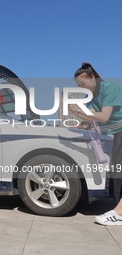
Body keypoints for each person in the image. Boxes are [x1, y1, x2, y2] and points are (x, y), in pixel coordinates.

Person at [69, 62, 122, 225]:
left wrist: (77, 111)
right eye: (79, 86)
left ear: (93, 77)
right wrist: (75, 114)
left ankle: (119, 214)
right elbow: (89, 117)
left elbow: (104, 117)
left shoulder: (109, 89)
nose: (82, 87)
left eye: (83, 84)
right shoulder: (92, 97)